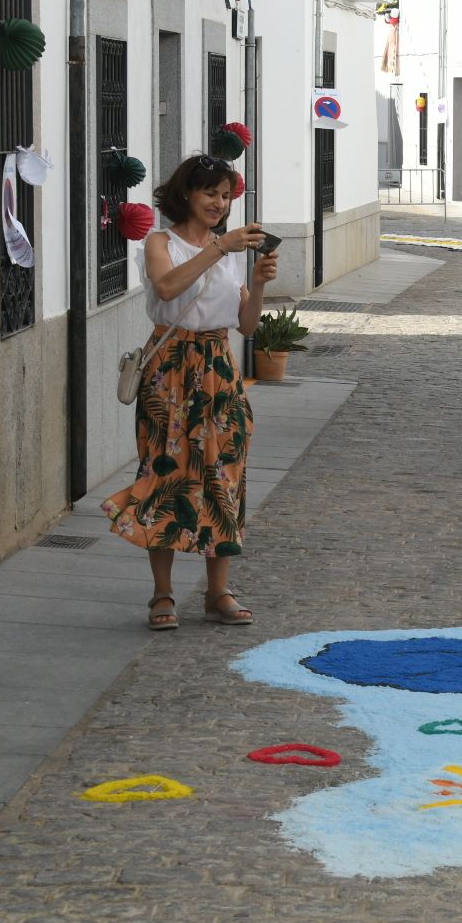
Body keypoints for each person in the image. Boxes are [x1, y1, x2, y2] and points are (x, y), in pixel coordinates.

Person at [101, 155, 278, 629]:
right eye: (210, 193)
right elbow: (166, 285)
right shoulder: (161, 243)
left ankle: (217, 592)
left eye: (225, 195)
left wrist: (257, 286)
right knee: (166, 473)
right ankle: (162, 595)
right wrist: (220, 249)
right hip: (172, 370)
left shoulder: (228, 252)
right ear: (186, 194)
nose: (219, 203)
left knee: (223, 476)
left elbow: (244, 323)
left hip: (220, 368)